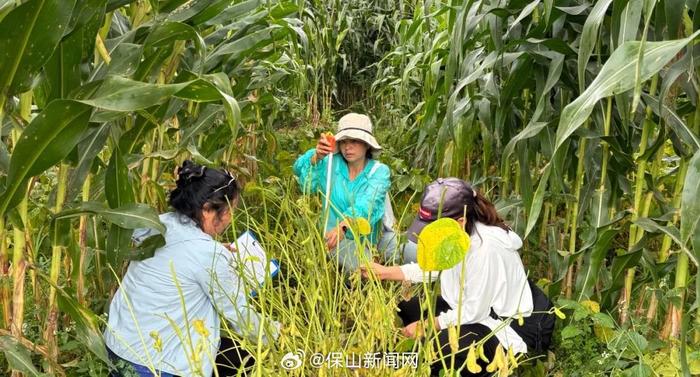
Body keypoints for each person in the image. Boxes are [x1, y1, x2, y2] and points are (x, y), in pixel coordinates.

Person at [360, 178, 555, 376]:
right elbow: (436, 266)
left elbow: (474, 311)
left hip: (512, 327)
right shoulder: (460, 234)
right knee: (409, 308)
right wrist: (385, 272)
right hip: (478, 310)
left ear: (459, 221)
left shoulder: (485, 249)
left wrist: (427, 325)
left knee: (440, 348)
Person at [104, 160, 280, 377]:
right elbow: (240, 315)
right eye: (229, 211)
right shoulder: (209, 255)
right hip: (155, 366)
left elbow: (178, 252)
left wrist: (210, 248)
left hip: (117, 349)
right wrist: (279, 335)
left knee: (228, 352)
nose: (230, 218)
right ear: (207, 210)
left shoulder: (158, 223)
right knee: (245, 359)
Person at [293, 113, 406, 270]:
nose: (348, 147)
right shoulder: (331, 163)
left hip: (374, 238)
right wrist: (316, 156)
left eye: (354, 141)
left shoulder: (379, 171)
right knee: (364, 269)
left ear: (367, 144)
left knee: (409, 253)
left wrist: (344, 226)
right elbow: (299, 171)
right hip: (336, 239)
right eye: (344, 141)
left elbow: (368, 204)